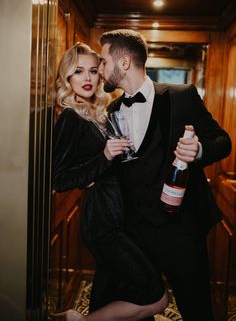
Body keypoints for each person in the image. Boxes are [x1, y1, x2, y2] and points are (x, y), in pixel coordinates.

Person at [97, 29, 232, 321]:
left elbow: (223, 141)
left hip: (180, 231)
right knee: (138, 307)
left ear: (123, 63)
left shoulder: (182, 96)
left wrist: (197, 150)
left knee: (197, 309)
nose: (100, 68)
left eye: (103, 61)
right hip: (133, 233)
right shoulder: (112, 109)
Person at [51, 42, 168, 321]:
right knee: (156, 297)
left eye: (93, 70)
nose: (88, 78)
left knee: (111, 294)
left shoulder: (98, 113)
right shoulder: (70, 116)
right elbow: (58, 179)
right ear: (67, 77)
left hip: (120, 218)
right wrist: (103, 157)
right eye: (78, 71)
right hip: (102, 223)